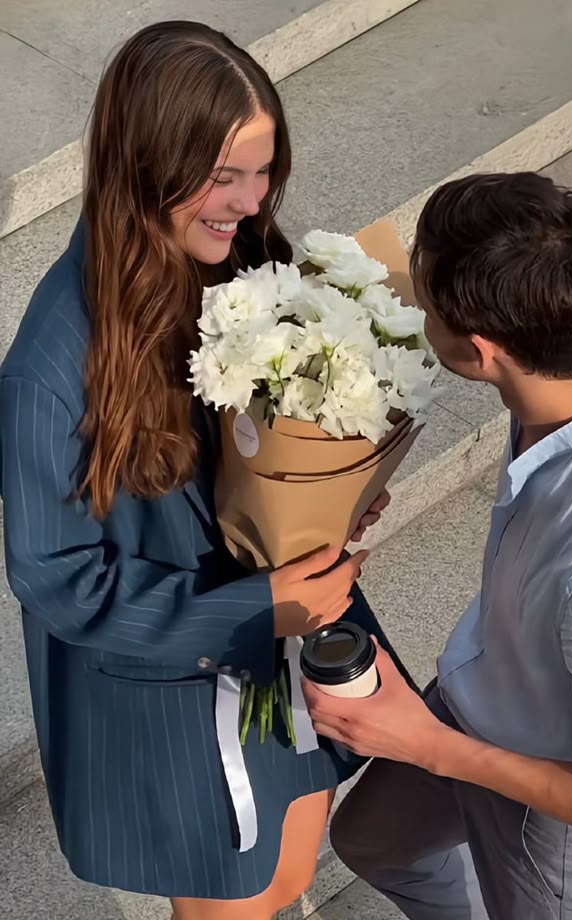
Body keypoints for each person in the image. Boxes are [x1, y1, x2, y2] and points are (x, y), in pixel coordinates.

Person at [0, 21, 395, 920]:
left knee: (291, 873)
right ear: (145, 163)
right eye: (225, 177)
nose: (253, 204)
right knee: (236, 900)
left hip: (283, 639)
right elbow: (58, 582)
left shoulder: (244, 259)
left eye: (265, 173)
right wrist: (259, 607)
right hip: (179, 693)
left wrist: (338, 491)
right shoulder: (48, 371)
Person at [305, 172, 572, 918]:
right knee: (372, 840)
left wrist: (427, 745)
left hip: (566, 820)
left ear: (477, 350)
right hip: (491, 688)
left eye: (423, 296)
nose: (408, 293)